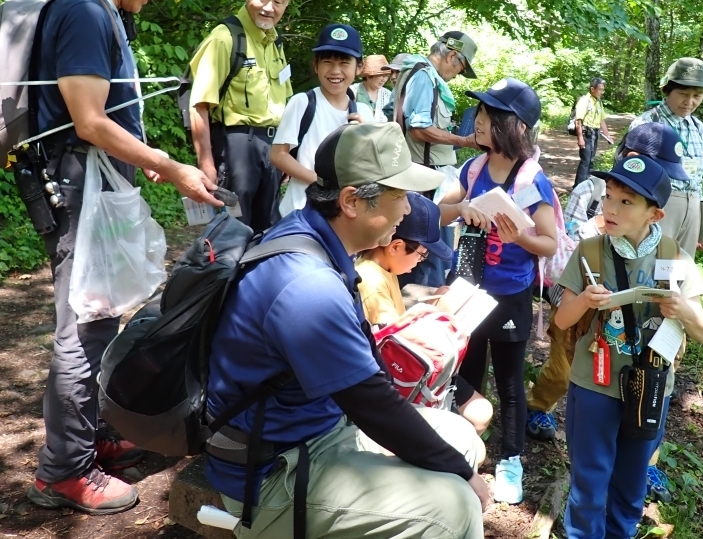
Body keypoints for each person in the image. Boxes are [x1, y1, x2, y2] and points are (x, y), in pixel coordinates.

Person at [206, 122, 491, 539]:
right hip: (270, 475)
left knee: (463, 437)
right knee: (456, 505)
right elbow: (371, 403)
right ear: (352, 201)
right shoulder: (308, 287)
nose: (408, 210)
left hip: (314, 431)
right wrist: (463, 476)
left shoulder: (314, 240)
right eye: (399, 197)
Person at [26, 0, 221, 514]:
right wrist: (169, 165)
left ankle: (90, 438)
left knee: (102, 313)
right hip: (78, 189)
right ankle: (63, 469)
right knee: (82, 327)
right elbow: (88, 120)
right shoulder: (84, 12)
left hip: (94, 189)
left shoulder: (99, 11)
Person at [553, 155, 703, 539]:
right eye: (608, 196)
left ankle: (620, 533)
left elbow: (702, 331)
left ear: (653, 215)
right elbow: (561, 321)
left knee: (631, 478)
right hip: (594, 384)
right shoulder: (590, 252)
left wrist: (683, 309)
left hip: (652, 388)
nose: (610, 208)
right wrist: (585, 301)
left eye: (626, 202)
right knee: (590, 477)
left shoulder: (676, 257)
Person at [525, 124, 690, 443]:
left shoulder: (663, 201)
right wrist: (600, 228)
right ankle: (540, 404)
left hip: (642, 307)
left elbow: (671, 252)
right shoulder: (590, 191)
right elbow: (566, 244)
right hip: (581, 294)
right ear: (631, 158)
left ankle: (643, 447)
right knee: (564, 363)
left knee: (646, 375)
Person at [438, 78, 558, 505]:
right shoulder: (472, 170)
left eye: (490, 116)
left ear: (516, 127)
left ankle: (511, 459)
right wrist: (461, 208)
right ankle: (462, 452)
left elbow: (549, 242)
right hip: (468, 289)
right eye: (481, 114)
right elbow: (436, 213)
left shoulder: (530, 179)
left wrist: (519, 237)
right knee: (465, 374)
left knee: (508, 381)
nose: (480, 121)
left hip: (510, 294)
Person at [356, 192, 494, 435]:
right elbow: (395, 349)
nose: (422, 262)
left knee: (481, 411)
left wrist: (433, 301)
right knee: (480, 414)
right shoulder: (372, 284)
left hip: (412, 369)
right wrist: (441, 314)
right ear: (396, 246)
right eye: (422, 254)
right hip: (404, 375)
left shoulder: (384, 270)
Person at [187, 0, 294, 231]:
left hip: (271, 152)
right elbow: (198, 105)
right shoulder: (225, 39)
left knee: (265, 232)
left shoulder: (275, 42)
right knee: (231, 233)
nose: (270, 7)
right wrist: (206, 164)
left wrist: (283, 155)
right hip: (236, 150)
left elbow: (284, 105)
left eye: (279, 0)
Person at [393, 32, 480, 286]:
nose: (457, 75)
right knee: (424, 257)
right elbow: (419, 128)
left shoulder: (416, 73)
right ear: (452, 55)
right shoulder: (424, 78)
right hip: (422, 184)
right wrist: (463, 141)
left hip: (419, 179)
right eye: (460, 69)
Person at [269, 24, 374, 218]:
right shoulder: (302, 102)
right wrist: (321, 183)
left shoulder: (364, 112)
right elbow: (278, 155)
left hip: (343, 218)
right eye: (327, 62)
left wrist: (366, 136)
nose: (335, 71)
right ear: (316, 65)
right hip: (300, 212)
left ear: (359, 67)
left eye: (344, 63)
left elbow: (372, 168)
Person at [629, 57, 703, 256]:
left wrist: (701, 219)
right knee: (649, 265)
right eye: (683, 93)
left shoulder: (698, 128)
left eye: (697, 95)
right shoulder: (648, 123)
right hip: (657, 206)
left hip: (691, 205)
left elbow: (697, 178)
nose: (689, 102)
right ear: (667, 90)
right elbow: (632, 175)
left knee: (680, 270)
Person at [573, 77, 614, 187]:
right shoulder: (584, 101)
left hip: (595, 134)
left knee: (591, 161)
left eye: (603, 90)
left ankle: (585, 185)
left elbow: (602, 121)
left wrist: (608, 136)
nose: (602, 92)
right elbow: (578, 121)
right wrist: (580, 138)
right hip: (586, 133)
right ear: (592, 89)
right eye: (600, 89)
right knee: (585, 161)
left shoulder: (598, 102)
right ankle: (578, 187)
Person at [351, 54, 392, 122]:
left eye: (386, 76)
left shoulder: (388, 95)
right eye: (381, 75)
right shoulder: (353, 91)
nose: (384, 79)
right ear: (369, 75)